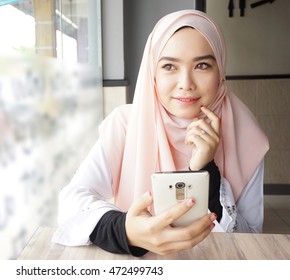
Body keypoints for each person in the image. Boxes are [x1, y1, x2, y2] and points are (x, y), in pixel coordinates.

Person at [52, 10, 269, 256]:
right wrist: (126, 230)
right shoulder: (125, 124)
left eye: (202, 65)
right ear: (152, 73)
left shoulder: (245, 133)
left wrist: (206, 170)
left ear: (221, 72)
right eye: (169, 66)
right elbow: (71, 201)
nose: (185, 83)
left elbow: (252, 237)